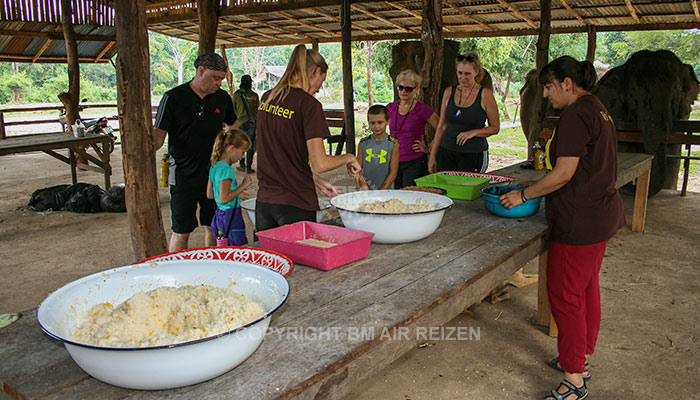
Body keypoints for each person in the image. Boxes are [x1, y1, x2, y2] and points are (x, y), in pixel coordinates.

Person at [499, 56, 625, 400]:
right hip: (601, 216)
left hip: (579, 221)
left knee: (565, 297)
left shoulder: (574, 115)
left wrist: (523, 193)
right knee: (585, 290)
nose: (547, 94)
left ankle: (574, 379)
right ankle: (579, 357)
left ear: (567, 83)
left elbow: (564, 173)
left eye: (549, 87)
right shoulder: (598, 108)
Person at [255, 44, 361, 232]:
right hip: (296, 204)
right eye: (322, 80)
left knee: (271, 261)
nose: (319, 89)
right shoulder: (309, 105)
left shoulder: (267, 98)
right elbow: (320, 163)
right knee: (300, 261)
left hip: (264, 204)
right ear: (316, 71)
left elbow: (283, 157)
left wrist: (317, 180)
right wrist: (350, 157)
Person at [153, 53, 236, 252]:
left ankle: (212, 264)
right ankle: (179, 273)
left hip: (214, 173)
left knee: (213, 225)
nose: (218, 83)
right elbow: (158, 137)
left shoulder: (222, 98)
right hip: (182, 174)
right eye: (215, 78)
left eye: (222, 79)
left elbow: (232, 125)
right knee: (182, 229)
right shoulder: (173, 98)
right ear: (201, 71)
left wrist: (227, 150)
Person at [429, 52, 500, 174]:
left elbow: (495, 128)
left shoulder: (485, 94)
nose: (463, 77)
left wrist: (474, 133)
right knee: (444, 190)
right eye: (460, 73)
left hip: (473, 153)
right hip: (447, 151)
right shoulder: (449, 92)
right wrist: (433, 155)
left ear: (476, 72)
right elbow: (442, 125)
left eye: (467, 74)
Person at [387, 69, 439, 188]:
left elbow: (441, 127)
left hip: (414, 161)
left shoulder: (421, 109)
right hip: (393, 160)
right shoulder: (390, 108)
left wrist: (428, 148)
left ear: (416, 90)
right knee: (394, 195)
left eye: (408, 89)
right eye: (401, 87)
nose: (404, 91)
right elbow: (378, 129)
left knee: (410, 195)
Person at [206, 129, 252, 246]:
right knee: (239, 249)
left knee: (224, 248)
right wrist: (243, 186)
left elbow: (210, 194)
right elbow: (224, 198)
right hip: (231, 216)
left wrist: (236, 194)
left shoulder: (214, 166)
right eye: (242, 152)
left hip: (220, 215)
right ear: (231, 149)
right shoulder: (227, 170)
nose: (243, 156)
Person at [356, 104, 399, 190]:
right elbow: (358, 169)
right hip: (366, 190)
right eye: (372, 123)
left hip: (386, 190)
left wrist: (381, 190)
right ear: (368, 123)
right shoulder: (363, 143)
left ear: (388, 122)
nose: (376, 126)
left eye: (380, 122)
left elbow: (393, 172)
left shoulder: (393, 144)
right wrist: (365, 187)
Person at [234, 74, 259, 174]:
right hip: (252, 123)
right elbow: (258, 110)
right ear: (250, 84)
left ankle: (241, 165)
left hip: (241, 123)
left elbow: (233, 109)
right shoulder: (254, 95)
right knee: (250, 145)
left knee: (240, 144)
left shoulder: (236, 95)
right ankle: (248, 167)